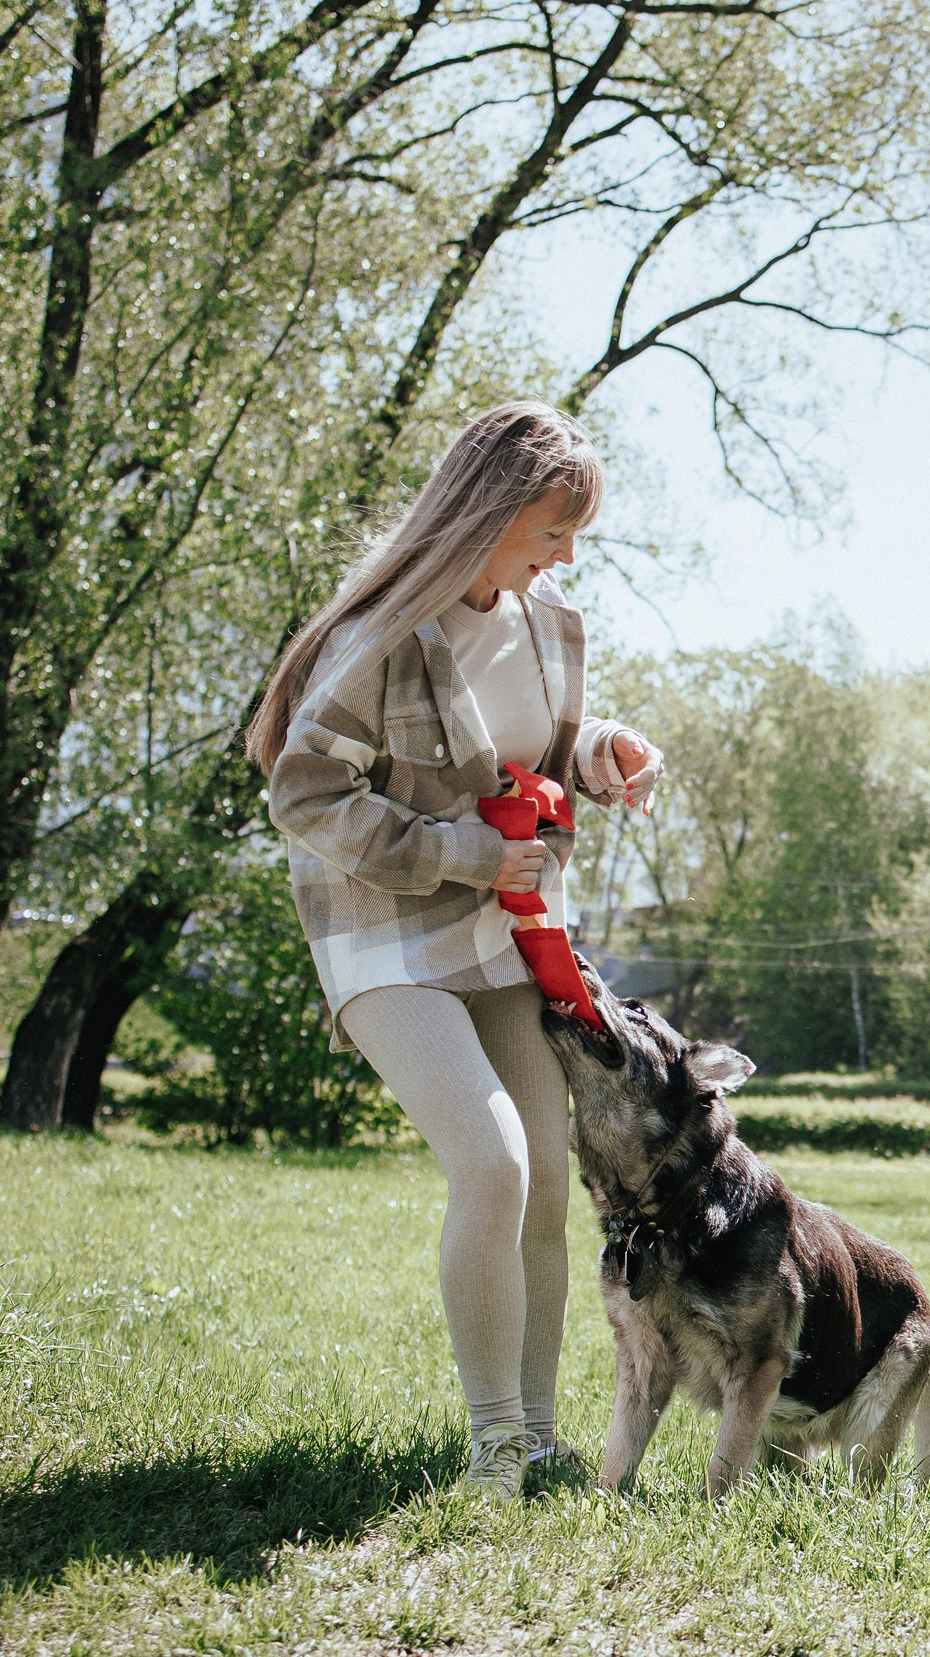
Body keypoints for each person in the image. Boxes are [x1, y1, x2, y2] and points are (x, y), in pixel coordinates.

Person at [247, 402, 662, 1499]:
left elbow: (547, 751)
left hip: (504, 930)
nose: (566, 555)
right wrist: (459, 851)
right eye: (551, 529)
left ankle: (535, 1435)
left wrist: (605, 751)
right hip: (382, 929)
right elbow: (303, 790)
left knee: (541, 1189)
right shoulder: (380, 638)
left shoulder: (548, 621)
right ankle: (491, 1446)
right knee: (490, 1163)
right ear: (485, 514)